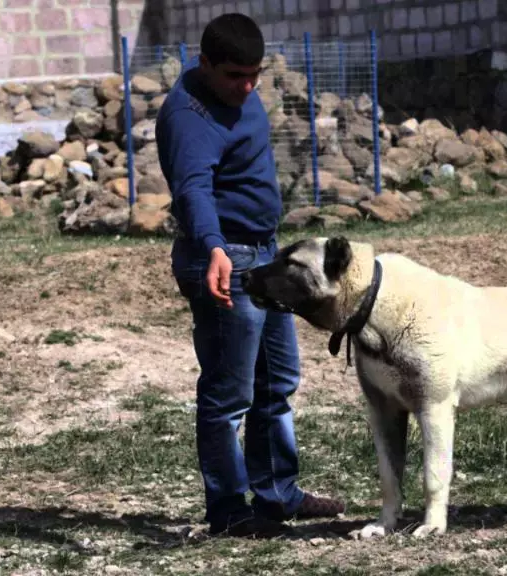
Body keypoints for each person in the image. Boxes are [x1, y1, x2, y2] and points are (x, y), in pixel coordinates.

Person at [155, 13, 345, 539]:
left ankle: (278, 493)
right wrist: (214, 248)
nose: (248, 86)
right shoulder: (189, 117)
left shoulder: (242, 94)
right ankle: (229, 510)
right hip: (221, 260)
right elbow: (192, 189)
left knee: (276, 382)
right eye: (235, 75)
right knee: (228, 392)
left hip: (263, 255)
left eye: (255, 74)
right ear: (204, 63)